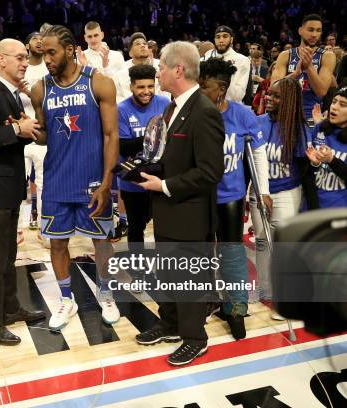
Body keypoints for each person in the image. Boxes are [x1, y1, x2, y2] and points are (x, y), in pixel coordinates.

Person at [134, 41, 224, 366]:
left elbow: (211, 171)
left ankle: (195, 338)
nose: (156, 72)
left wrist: (166, 185)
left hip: (190, 214)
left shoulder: (204, 111)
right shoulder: (172, 107)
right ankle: (170, 324)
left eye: (160, 67)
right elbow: (169, 156)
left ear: (178, 70)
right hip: (168, 210)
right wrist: (145, 169)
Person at [30, 25, 120, 330]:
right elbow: (44, 137)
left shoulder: (99, 82)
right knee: (57, 244)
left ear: (69, 50)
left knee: (102, 241)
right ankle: (67, 299)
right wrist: (27, 129)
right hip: (56, 181)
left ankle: (105, 294)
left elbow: (111, 134)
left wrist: (107, 182)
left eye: (52, 52)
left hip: (93, 180)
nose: (47, 59)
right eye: (43, 53)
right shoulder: (39, 89)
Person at [0, 38, 46, 345]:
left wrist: (26, 130)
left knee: (8, 256)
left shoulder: (12, 96)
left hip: (9, 189)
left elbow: (11, 137)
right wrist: (17, 129)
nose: (25, 62)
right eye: (19, 57)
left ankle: (11, 308)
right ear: (1, 60)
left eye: (26, 57)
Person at [199, 58, 271, 339]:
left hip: (230, 195)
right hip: (200, 196)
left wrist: (262, 189)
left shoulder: (242, 115)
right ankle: (207, 298)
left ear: (222, 89)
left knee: (231, 253)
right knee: (202, 252)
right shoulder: (195, 113)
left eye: (206, 86)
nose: (200, 90)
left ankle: (236, 308)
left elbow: (258, 153)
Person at [250, 78, 308, 307]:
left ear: (289, 101)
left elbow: (304, 167)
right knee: (262, 241)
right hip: (259, 192)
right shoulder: (257, 122)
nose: (269, 98)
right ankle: (266, 288)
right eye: (268, 94)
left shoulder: (299, 129)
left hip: (287, 191)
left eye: (275, 96)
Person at [117, 64, 170, 246]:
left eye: (150, 86)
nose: (146, 91)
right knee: (136, 228)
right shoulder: (122, 109)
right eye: (141, 87)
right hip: (133, 182)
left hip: (160, 178)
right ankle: (138, 271)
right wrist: (153, 135)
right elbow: (123, 147)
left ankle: (165, 269)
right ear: (131, 86)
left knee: (163, 228)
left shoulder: (165, 104)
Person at [272, 14, 337, 124]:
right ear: (300, 30)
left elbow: (321, 91)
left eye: (318, 31)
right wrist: (295, 74)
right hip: (287, 115)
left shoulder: (327, 56)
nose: (314, 34)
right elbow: (273, 88)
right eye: (310, 30)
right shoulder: (285, 55)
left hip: (312, 117)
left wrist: (309, 67)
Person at [20, 31, 48, 238]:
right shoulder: (20, 67)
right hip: (20, 131)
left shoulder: (50, 66)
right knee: (16, 182)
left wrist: (31, 94)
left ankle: (45, 225)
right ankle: (15, 229)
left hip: (42, 132)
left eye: (42, 38)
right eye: (35, 38)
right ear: (27, 45)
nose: (39, 41)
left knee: (43, 182)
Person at [305, 86, 347, 208]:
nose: (334, 107)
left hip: (338, 211)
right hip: (312, 205)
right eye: (334, 102)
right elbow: (306, 173)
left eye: (343, 104)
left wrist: (332, 160)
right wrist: (315, 164)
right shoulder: (320, 128)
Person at [203, 25, 251, 103]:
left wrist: (224, 76)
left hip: (230, 107)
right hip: (207, 105)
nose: (221, 40)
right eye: (218, 37)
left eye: (225, 36)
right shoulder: (207, 56)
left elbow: (239, 95)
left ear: (231, 39)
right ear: (214, 40)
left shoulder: (242, 60)